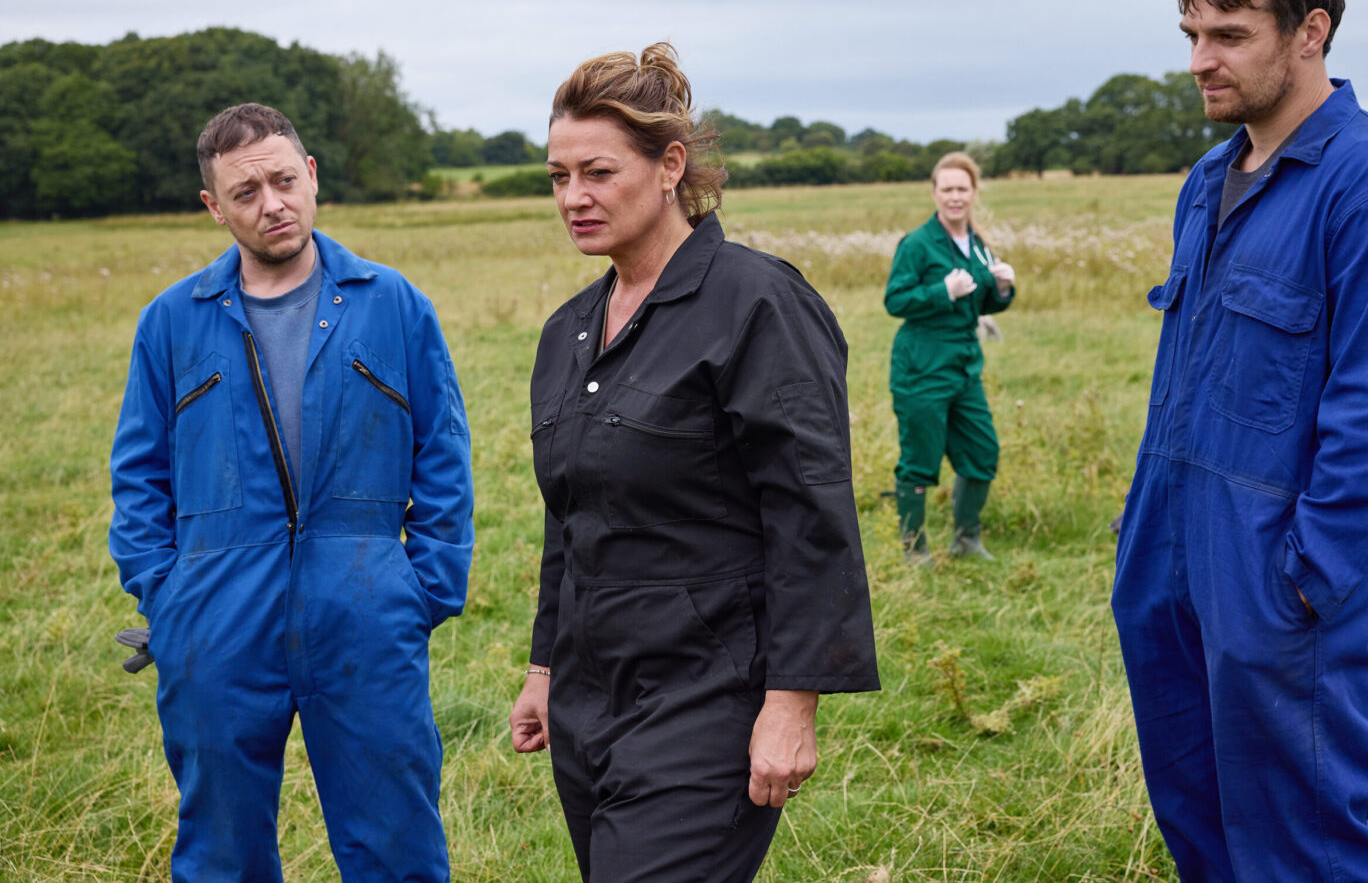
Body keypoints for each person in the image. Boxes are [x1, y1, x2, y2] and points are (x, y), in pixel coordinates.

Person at [1111, 0, 1368, 882]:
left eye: (1228, 35)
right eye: (1191, 34)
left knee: (1303, 843)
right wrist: (1146, 532)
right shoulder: (1207, 179)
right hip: (1168, 557)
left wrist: (1307, 577)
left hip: (1277, 577)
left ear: (1311, 31)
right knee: (1198, 817)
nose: (1199, 61)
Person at [508, 43, 880, 883]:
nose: (573, 197)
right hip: (589, 696)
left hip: (709, 692)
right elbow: (569, 518)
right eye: (558, 176)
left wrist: (792, 702)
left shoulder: (757, 303)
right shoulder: (570, 330)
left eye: (598, 172)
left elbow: (811, 511)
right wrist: (544, 668)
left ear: (670, 166)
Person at [109, 103, 474, 882]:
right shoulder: (170, 322)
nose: (271, 203)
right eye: (245, 192)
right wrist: (168, 597)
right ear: (214, 207)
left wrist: (422, 589)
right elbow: (139, 475)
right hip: (216, 619)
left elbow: (443, 453)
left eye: (282, 180)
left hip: (366, 611)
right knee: (222, 853)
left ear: (311, 176)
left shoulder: (394, 304)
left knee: (396, 846)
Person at [884, 153, 1016, 562]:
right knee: (920, 459)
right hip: (922, 367)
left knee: (982, 451)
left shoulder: (977, 245)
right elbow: (895, 300)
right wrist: (942, 291)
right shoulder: (917, 244)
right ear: (934, 193)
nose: (955, 197)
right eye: (947, 189)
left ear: (974, 193)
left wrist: (1003, 289)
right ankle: (914, 549)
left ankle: (966, 540)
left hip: (964, 367)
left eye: (962, 189)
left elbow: (980, 302)